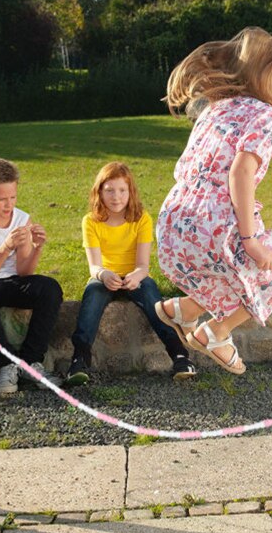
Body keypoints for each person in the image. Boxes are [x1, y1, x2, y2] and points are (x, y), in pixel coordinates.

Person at [153, 26, 272, 375]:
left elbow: (221, 156)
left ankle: (186, 309)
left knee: (235, 272)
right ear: (268, 77)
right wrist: (250, 240)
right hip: (217, 228)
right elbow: (239, 173)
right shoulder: (267, 114)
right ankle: (217, 330)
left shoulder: (216, 107)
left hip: (174, 227)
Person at [64, 162, 196, 385]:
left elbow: (143, 265)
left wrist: (135, 277)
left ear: (130, 191)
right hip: (105, 277)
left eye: (122, 190)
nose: (116, 197)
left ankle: (180, 355)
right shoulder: (91, 221)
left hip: (135, 276)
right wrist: (104, 275)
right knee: (92, 299)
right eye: (110, 190)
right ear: (99, 192)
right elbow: (94, 267)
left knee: (154, 303)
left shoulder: (141, 218)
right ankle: (79, 358)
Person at [0, 157, 63, 396]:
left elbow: (25, 272)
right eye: (1, 199)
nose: (8, 205)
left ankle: (31, 362)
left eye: (13, 197)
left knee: (49, 288)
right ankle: (6, 365)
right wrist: (5, 247)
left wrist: (37, 247)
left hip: (12, 281)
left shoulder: (21, 218)